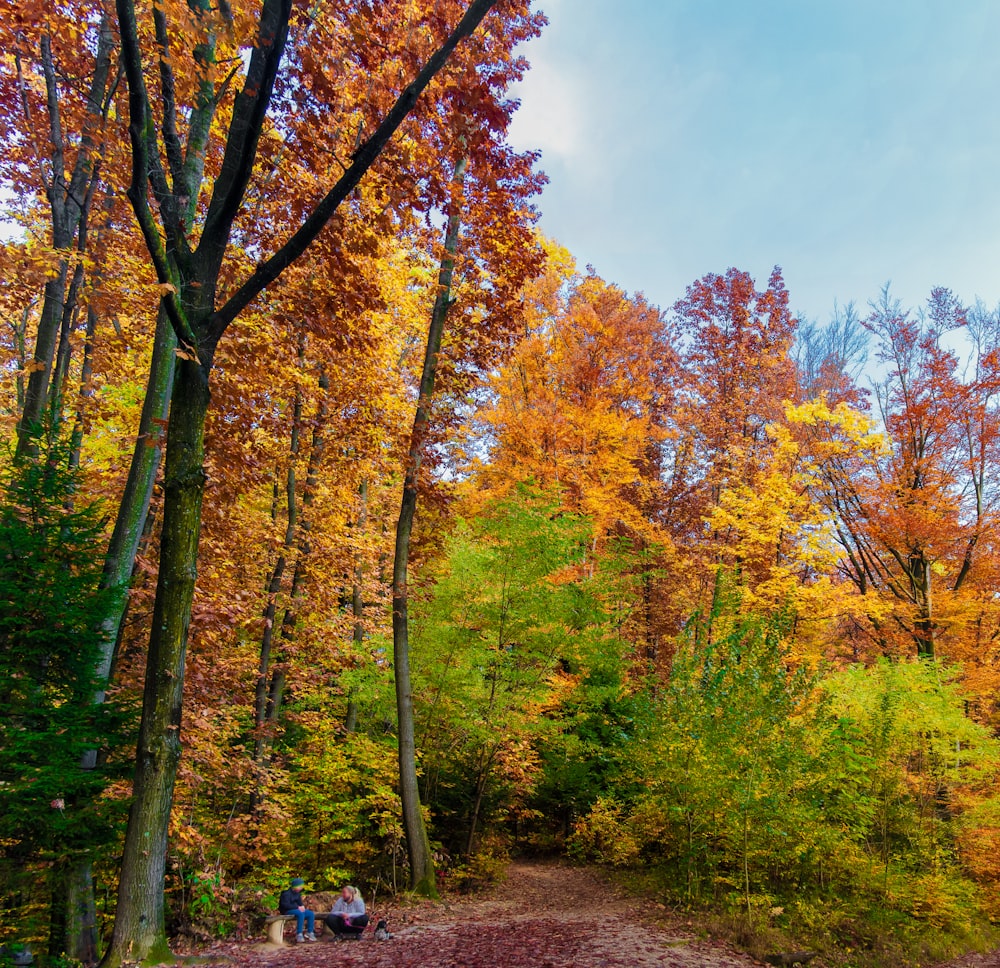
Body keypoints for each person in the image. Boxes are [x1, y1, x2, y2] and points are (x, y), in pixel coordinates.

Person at [278, 876, 317, 943]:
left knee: (310, 913)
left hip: (296, 910)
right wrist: (297, 907)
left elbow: (300, 903)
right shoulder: (286, 894)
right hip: (287, 910)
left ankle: (310, 932)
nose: (301, 888)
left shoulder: (298, 894)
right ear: (295, 886)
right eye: (300, 886)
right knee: (300, 914)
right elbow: (285, 905)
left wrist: (302, 906)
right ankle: (299, 933)